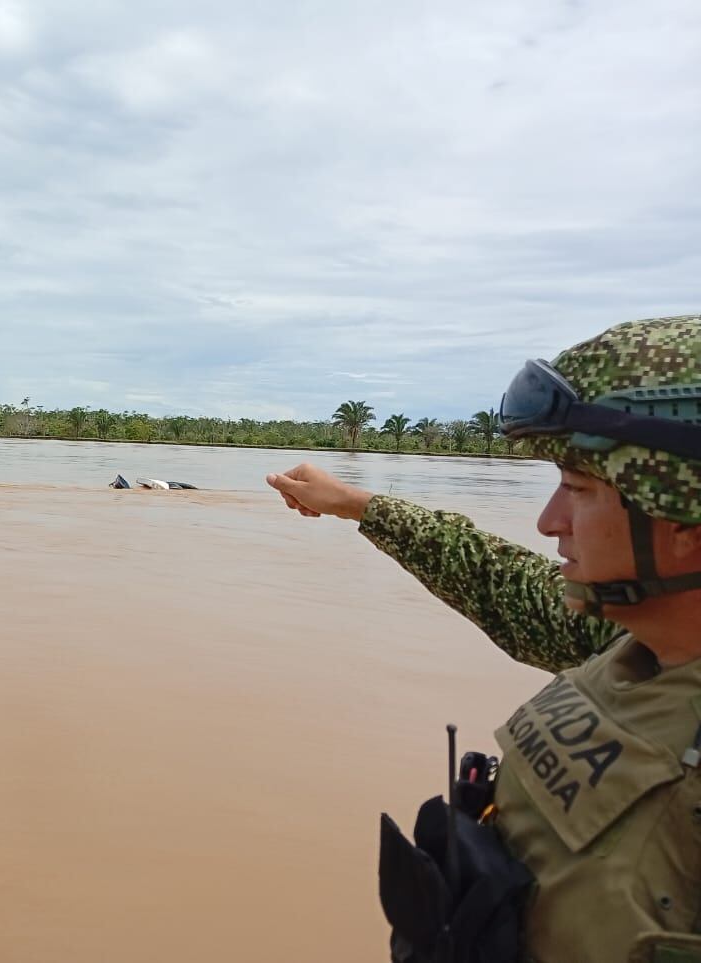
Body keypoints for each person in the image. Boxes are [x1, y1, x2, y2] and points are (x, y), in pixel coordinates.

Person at [267, 315, 701, 963]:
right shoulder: (629, 645)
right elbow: (499, 580)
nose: (548, 522)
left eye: (578, 490)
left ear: (683, 515)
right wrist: (356, 505)